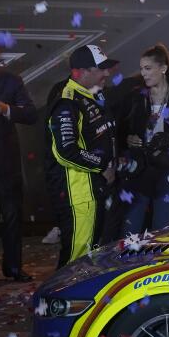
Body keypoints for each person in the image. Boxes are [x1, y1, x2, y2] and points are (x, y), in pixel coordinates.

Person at [46, 45, 118, 267]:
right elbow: (66, 151)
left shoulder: (93, 94)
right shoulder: (67, 101)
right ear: (82, 72)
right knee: (76, 259)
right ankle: (60, 302)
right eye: (101, 69)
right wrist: (102, 166)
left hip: (93, 190)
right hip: (78, 193)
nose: (107, 73)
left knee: (91, 254)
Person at [116, 45, 169, 237]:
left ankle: (159, 266)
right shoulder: (135, 97)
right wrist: (127, 138)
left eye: (148, 68)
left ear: (163, 69)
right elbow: (118, 129)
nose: (143, 73)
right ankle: (129, 264)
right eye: (142, 69)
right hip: (139, 170)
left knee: (162, 233)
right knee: (130, 231)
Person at [0, 33, 38, 281]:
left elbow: (31, 114)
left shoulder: (11, 81)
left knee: (12, 214)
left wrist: (6, 109)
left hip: (4, 161)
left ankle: (13, 268)